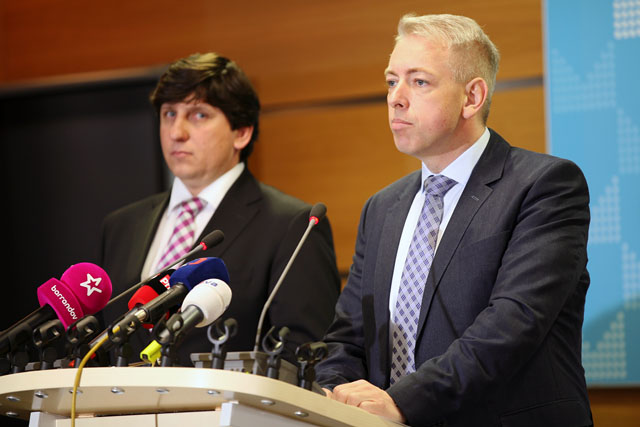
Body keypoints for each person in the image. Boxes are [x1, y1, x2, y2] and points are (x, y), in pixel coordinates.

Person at [316, 14, 592, 427]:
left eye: (419, 81)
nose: (396, 98)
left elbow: (512, 325)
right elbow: (348, 335)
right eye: (391, 81)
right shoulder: (382, 207)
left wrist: (402, 403)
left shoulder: (544, 186)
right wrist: (331, 395)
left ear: (472, 97)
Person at [100, 53, 340, 366]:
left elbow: (304, 354)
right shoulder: (121, 226)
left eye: (199, 115)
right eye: (169, 114)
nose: (176, 132)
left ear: (242, 132)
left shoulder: (292, 226)